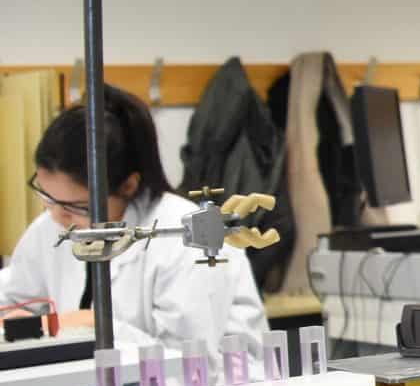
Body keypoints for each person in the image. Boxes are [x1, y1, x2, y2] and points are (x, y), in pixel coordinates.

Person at [1, 86, 267, 354]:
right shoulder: (50, 227)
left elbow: (192, 364)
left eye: (77, 206)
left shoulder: (187, 237)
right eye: (46, 195)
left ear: (128, 186)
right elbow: (17, 302)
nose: (58, 215)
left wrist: (94, 327)